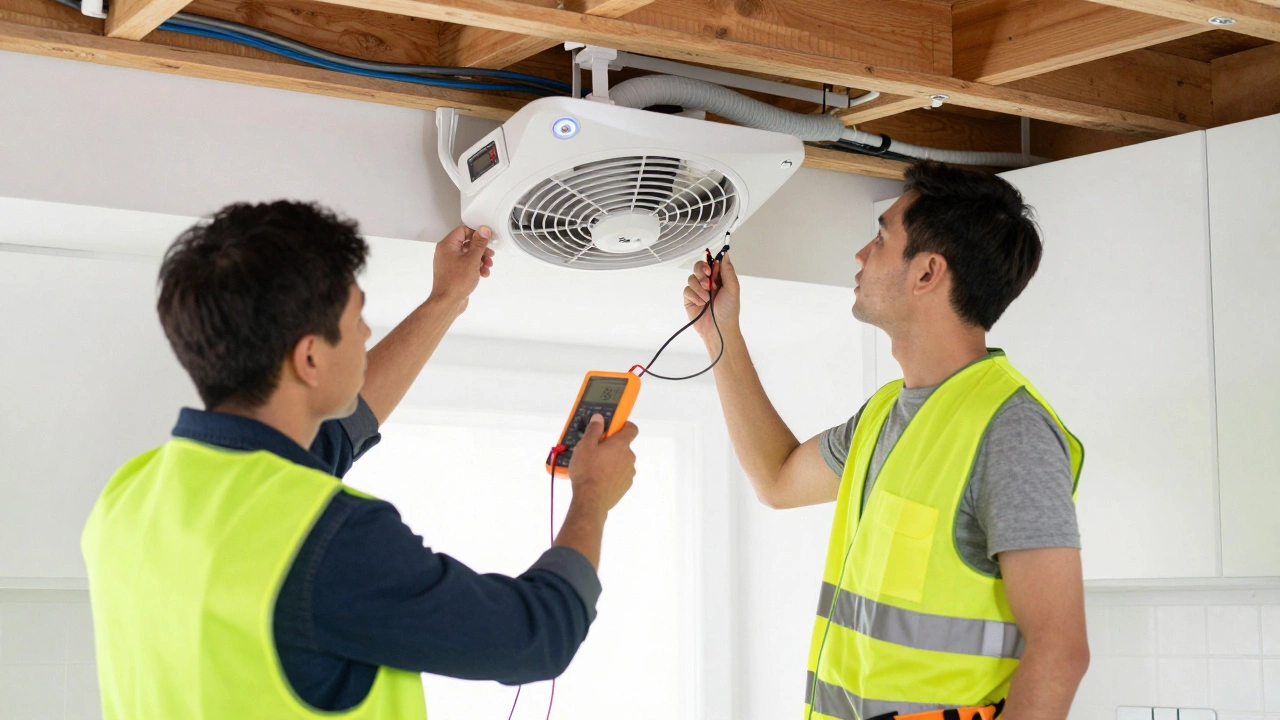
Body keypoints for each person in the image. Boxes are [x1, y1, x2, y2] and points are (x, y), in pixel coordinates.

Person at [81, 201, 639, 720]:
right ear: (309, 357)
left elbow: (327, 441)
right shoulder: (332, 536)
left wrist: (446, 299)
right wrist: (592, 495)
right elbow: (533, 637)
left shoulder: (129, 497)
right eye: (357, 320)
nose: (367, 332)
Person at [683, 161, 1087, 720]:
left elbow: (1060, 651)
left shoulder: (1009, 430)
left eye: (880, 237)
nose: (861, 255)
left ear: (927, 273)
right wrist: (721, 331)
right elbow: (775, 479)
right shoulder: (882, 416)